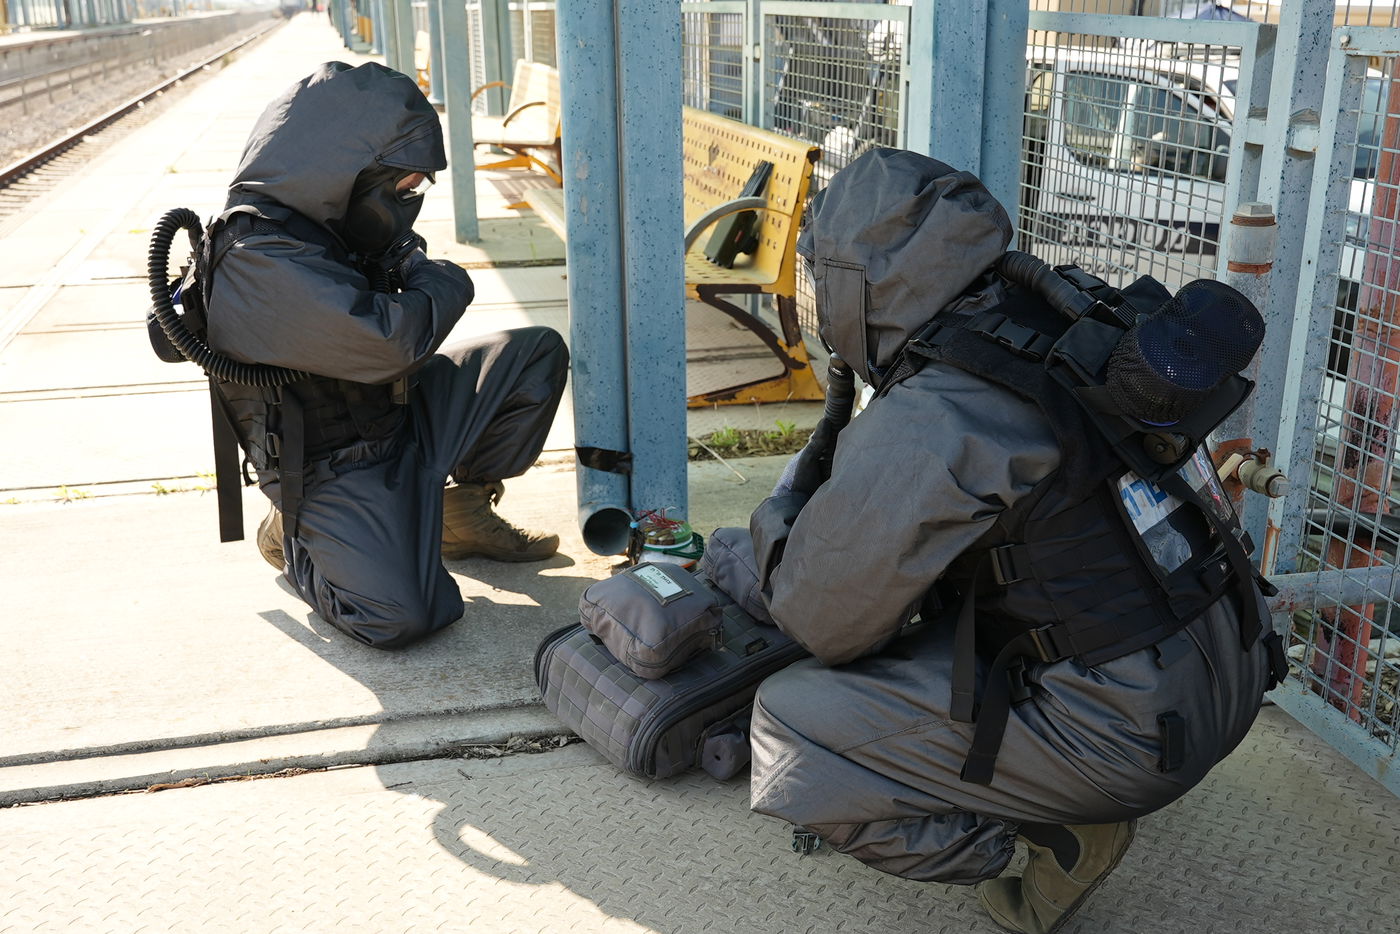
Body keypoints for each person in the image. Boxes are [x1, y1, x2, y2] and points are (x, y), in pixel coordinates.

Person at [711, 149, 1283, 933]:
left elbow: (820, 618)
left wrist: (778, 524)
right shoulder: (1071, 316)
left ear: (854, 283)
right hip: (1231, 670)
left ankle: (1042, 842)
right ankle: (1069, 775)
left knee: (791, 721)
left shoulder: (942, 410)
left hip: (1132, 735)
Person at [203, 61, 568, 649]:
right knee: (402, 617)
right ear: (348, 172)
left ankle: (458, 509)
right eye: (402, 189)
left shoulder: (323, 222)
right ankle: (296, 540)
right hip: (331, 467)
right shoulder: (259, 256)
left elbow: (398, 292)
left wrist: (402, 258)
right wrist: (441, 279)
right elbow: (391, 343)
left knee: (533, 354)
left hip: (395, 415)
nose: (408, 205)